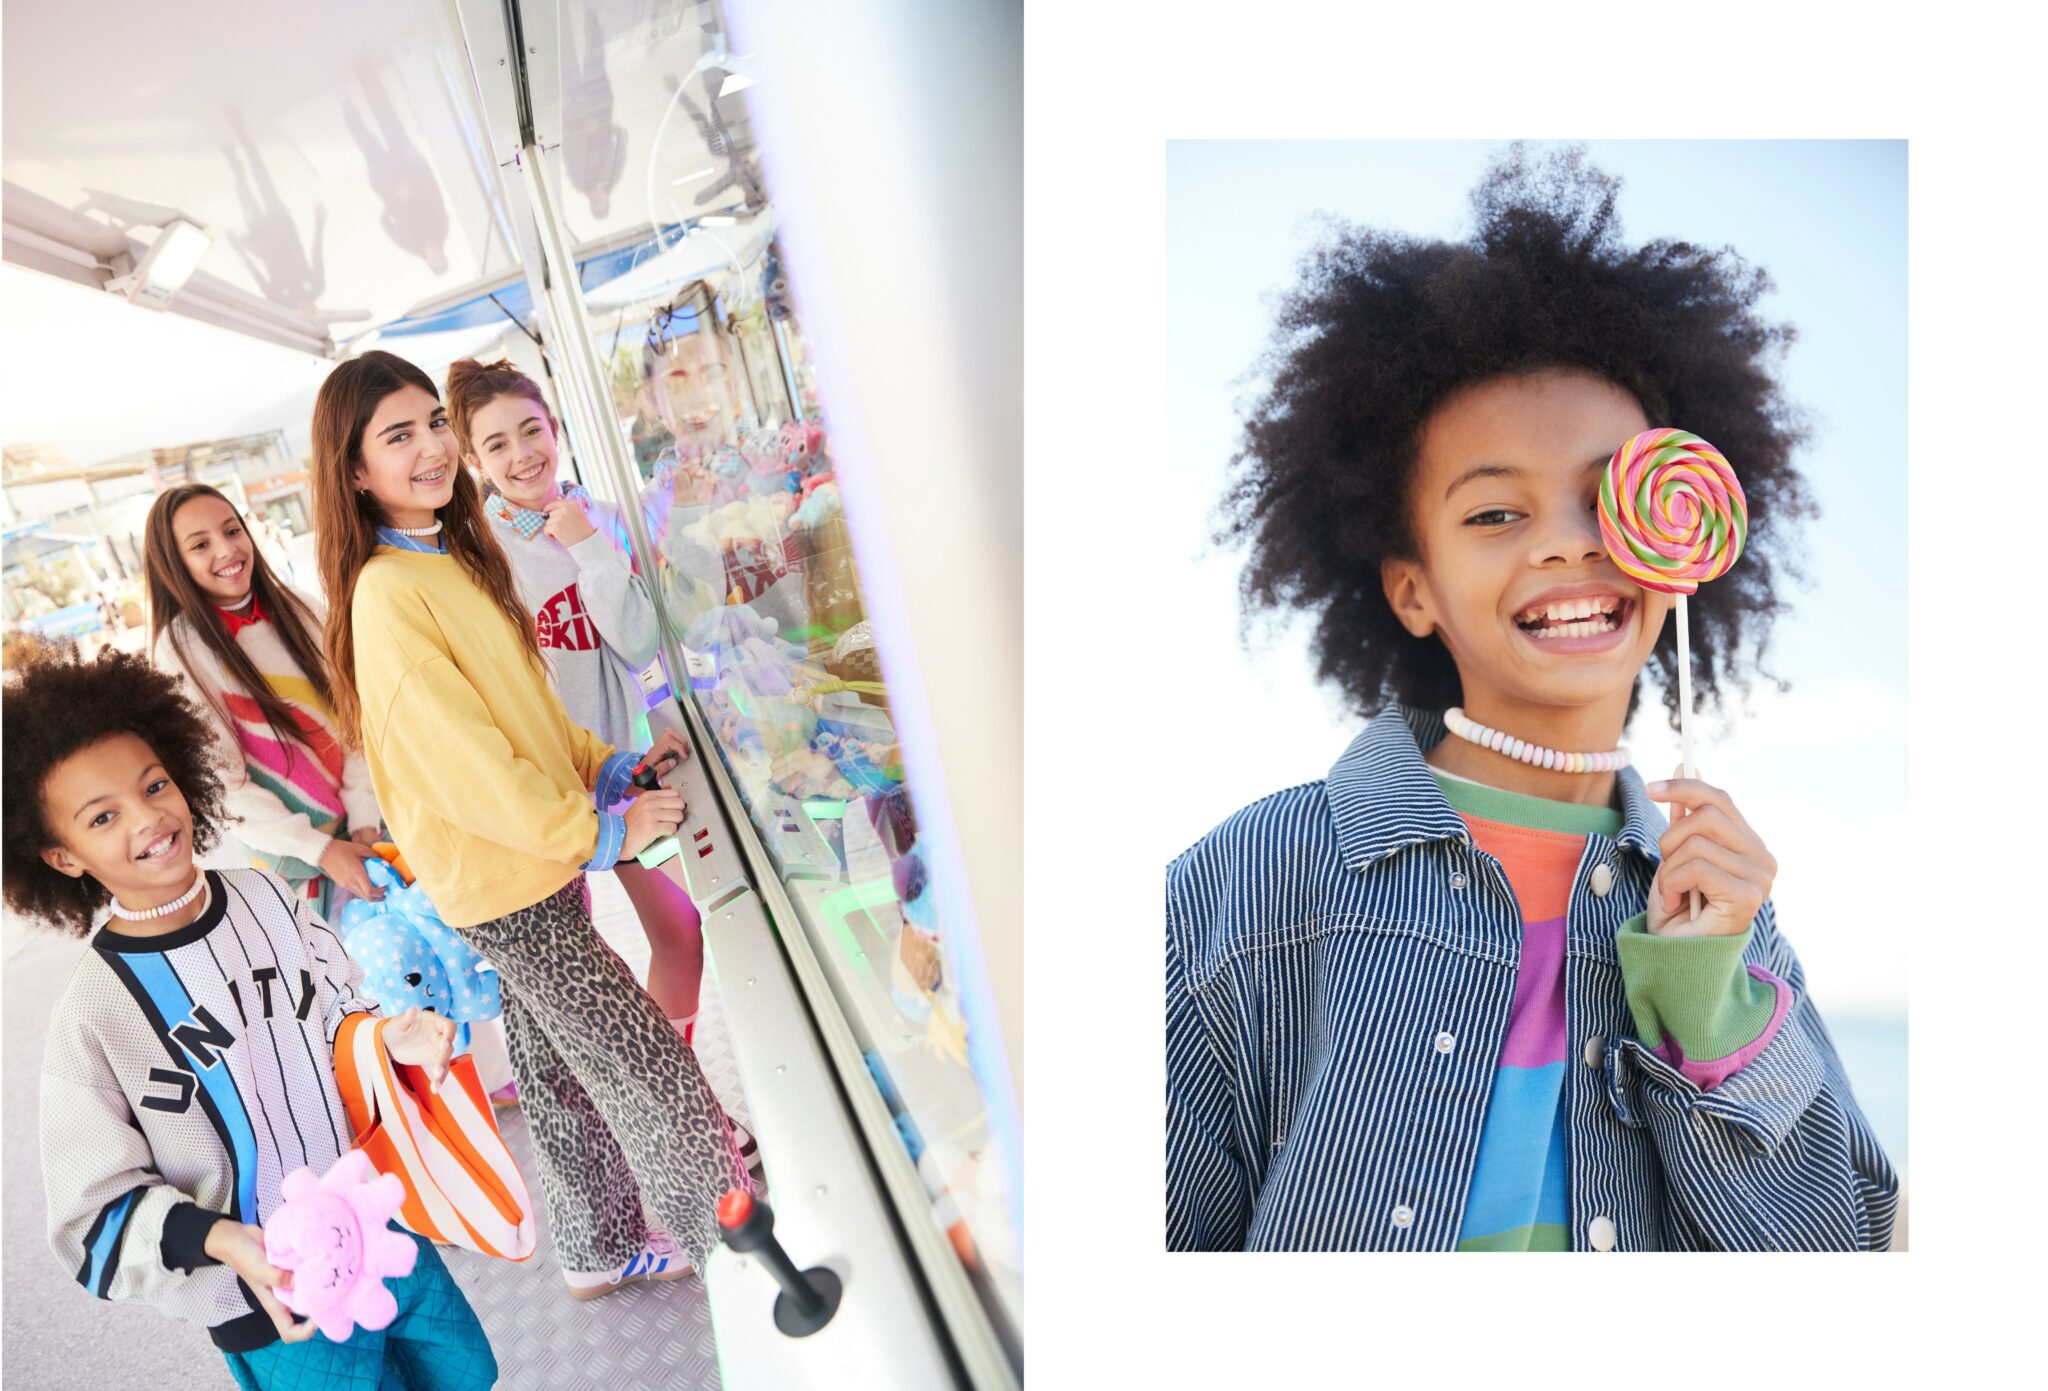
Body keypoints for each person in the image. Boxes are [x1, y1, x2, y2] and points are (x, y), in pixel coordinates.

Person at [1165, 144, 1899, 1252]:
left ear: (1682, 543)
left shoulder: (1719, 910)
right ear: (1411, 588)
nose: (1567, 542)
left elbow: (1833, 1254)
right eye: (1494, 514)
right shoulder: (1244, 881)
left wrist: (1709, 997)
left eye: (1608, 497)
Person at [310, 350, 750, 1300]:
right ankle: (740, 1260)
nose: (431, 447)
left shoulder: (447, 555)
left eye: (433, 422)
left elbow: (527, 709)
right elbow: (465, 759)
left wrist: (603, 768)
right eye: (401, 436)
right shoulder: (389, 591)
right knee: (649, 1072)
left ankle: (594, 1248)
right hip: (506, 883)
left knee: (554, 1073)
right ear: (354, 471)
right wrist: (598, 833)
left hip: (523, 870)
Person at [0, 645, 493, 1387]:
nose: (149, 818)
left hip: (384, 1232)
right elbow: (89, 1218)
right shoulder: (94, 1013)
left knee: (466, 1376)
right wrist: (226, 1240)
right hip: (271, 1303)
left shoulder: (267, 898)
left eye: (154, 784)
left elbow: (337, 1008)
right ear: (64, 858)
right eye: (103, 816)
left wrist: (390, 1034)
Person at [142, 484, 386, 920]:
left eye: (232, 530)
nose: (226, 549)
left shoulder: (303, 610)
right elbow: (222, 783)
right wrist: (322, 849)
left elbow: (355, 719)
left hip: (372, 824)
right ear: (173, 564)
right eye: (200, 544)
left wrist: (365, 818)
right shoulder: (181, 651)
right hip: (291, 861)